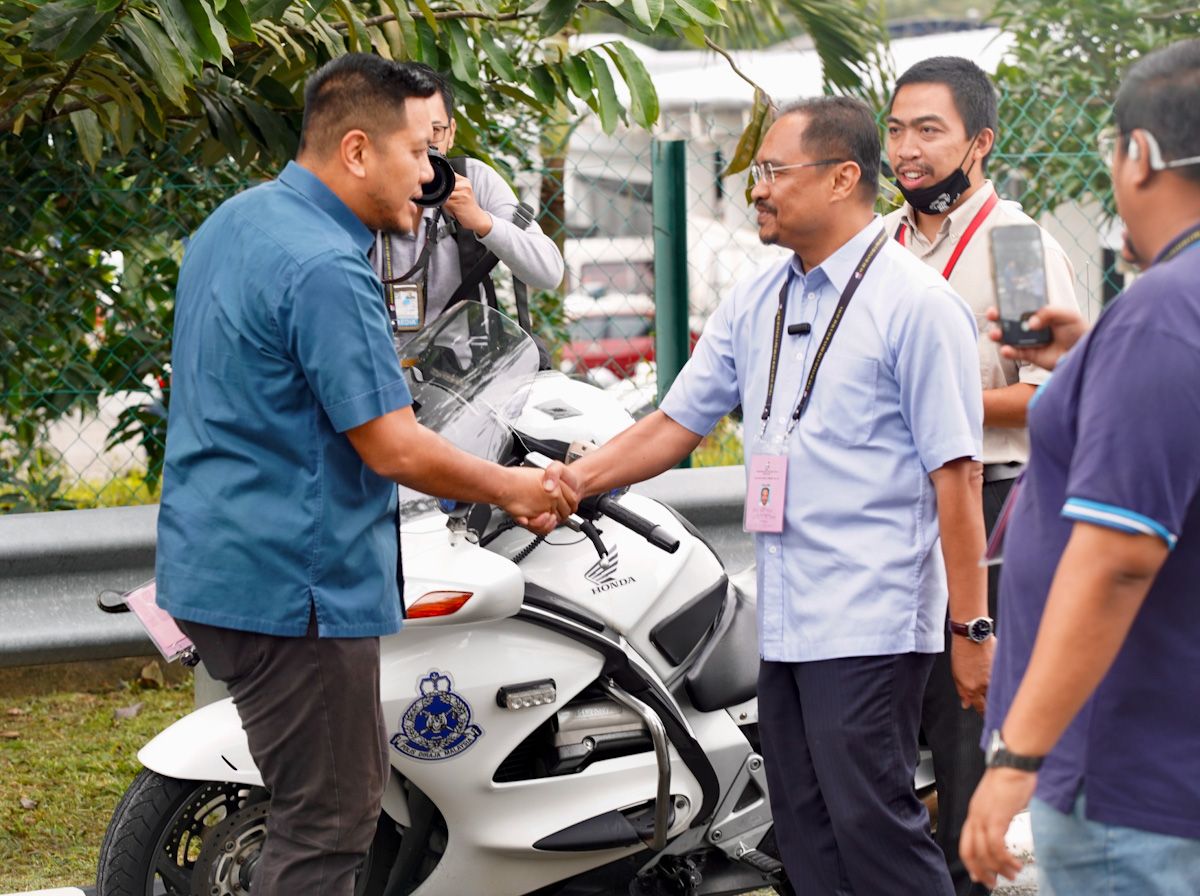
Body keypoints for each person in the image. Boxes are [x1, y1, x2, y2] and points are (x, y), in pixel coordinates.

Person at [548, 96, 991, 896]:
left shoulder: (916, 305)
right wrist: (573, 482)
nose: (757, 189)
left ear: (843, 178)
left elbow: (956, 477)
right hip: (784, 617)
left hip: (870, 618)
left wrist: (971, 627)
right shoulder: (761, 297)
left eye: (774, 172)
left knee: (873, 828)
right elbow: (675, 423)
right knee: (804, 831)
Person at [155, 54, 571, 896]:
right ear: (355, 150)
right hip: (294, 585)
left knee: (320, 808)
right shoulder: (326, 266)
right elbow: (395, 447)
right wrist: (518, 488)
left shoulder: (235, 222)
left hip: (218, 560)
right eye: (417, 152)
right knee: (330, 822)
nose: (428, 175)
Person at [959, 37, 1200, 894]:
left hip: (1130, 782)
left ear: (1141, 155)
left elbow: (1117, 561)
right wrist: (1092, 358)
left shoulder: (1163, 316)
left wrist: (1018, 757)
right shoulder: (1161, 322)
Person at [881, 56, 1081, 896]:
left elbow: (1048, 397)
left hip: (990, 507)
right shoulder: (881, 244)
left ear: (980, 142)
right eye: (896, 129)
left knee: (964, 739)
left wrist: (940, 403)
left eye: (930, 130)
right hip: (891, 511)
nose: (907, 149)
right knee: (885, 737)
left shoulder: (1014, 245)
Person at [372, 64, 564, 346]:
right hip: (378, 362)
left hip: (465, 366)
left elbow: (549, 272)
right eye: (409, 132)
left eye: (435, 131)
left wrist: (482, 222)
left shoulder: (473, 178)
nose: (423, 146)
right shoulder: (364, 187)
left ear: (451, 132)